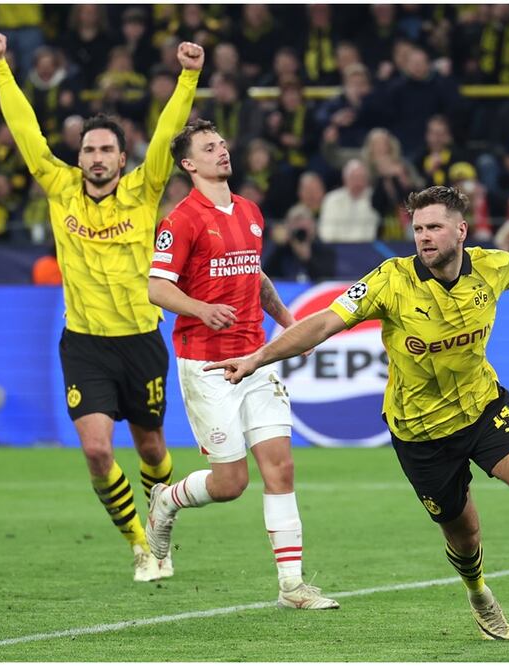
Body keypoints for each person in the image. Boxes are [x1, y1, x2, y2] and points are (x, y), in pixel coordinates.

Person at [206, 186, 509, 639]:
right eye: (418, 228)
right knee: (466, 537)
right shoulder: (391, 280)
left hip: (482, 408)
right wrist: (257, 358)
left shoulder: (490, 267)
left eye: (434, 227)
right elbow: (325, 322)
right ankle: (479, 594)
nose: (424, 237)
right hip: (420, 432)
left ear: (460, 230)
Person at [0, 33, 204, 582]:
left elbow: (166, 134)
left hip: (141, 340)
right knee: (98, 452)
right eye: (89, 150)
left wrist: (188, 78)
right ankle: (140, 547)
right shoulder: (60, 189)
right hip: (83, 343)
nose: (97, 158)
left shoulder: (144, 189)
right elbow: (25, 132)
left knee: (152, 451)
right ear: (78, 156)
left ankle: (161, 529)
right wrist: (1, 68)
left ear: (122, 158)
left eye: (107, 149)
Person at [143, 120, 339, 610]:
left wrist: (292, 324)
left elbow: (257, 276)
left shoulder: (250, 211)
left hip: (254, 359)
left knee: (281, 467)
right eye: (209, 148)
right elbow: (157, 287)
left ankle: (292, 586)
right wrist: (200, 309)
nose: (222, 152)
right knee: (231, 484)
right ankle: (167, 500)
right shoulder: (182, 220)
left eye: (223, 143)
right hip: (206, 365)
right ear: (189, 164)